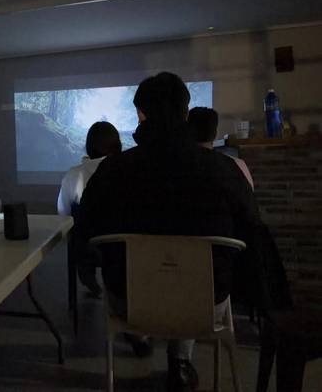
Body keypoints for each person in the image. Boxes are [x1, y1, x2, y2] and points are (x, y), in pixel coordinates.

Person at [78, 72, 280, 392]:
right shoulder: (223, 169)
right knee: (195, 276)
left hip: (130, 302)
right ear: (185, 113)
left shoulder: (112, 170)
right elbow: (253, 231)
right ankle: (181, 362)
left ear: (141, 114)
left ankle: (142, 337)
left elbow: (85, 229)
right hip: (207, 304)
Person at [57, 121, 121, 296]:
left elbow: (63, 213)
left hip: (87, 248)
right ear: (118, 145)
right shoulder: (128, 171)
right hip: (123, 246)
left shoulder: (73, 174)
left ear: (88, 146)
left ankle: (87, 275)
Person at [187, 107, 254, 189]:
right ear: (215, 133)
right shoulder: (238, 164)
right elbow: (250, 192)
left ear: (188, 131)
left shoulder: (178, 167)